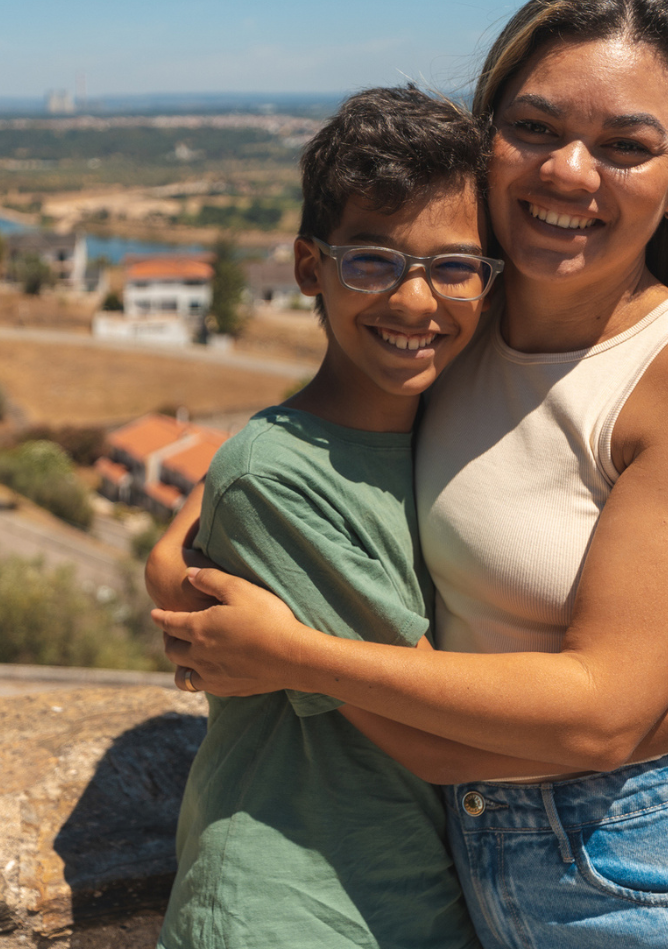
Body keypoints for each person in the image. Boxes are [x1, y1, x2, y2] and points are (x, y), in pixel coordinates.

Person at [150, 0, 668, 948]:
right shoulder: (459, 326)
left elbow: (595, 722)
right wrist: (183, 580)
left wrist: (292, 654)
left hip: (663, 871)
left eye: (625, 146)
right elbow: (258, 485)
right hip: (484, 870)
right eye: (535, 129)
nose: (570, 172)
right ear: (484, 139)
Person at [158, 87, 493, 949]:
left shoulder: (446, 432)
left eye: (455, 266)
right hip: (290, 910)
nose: (417, 303)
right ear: (311, 267)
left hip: (412, 901)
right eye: (374, 262)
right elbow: (437, 727)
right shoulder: (276, 477)